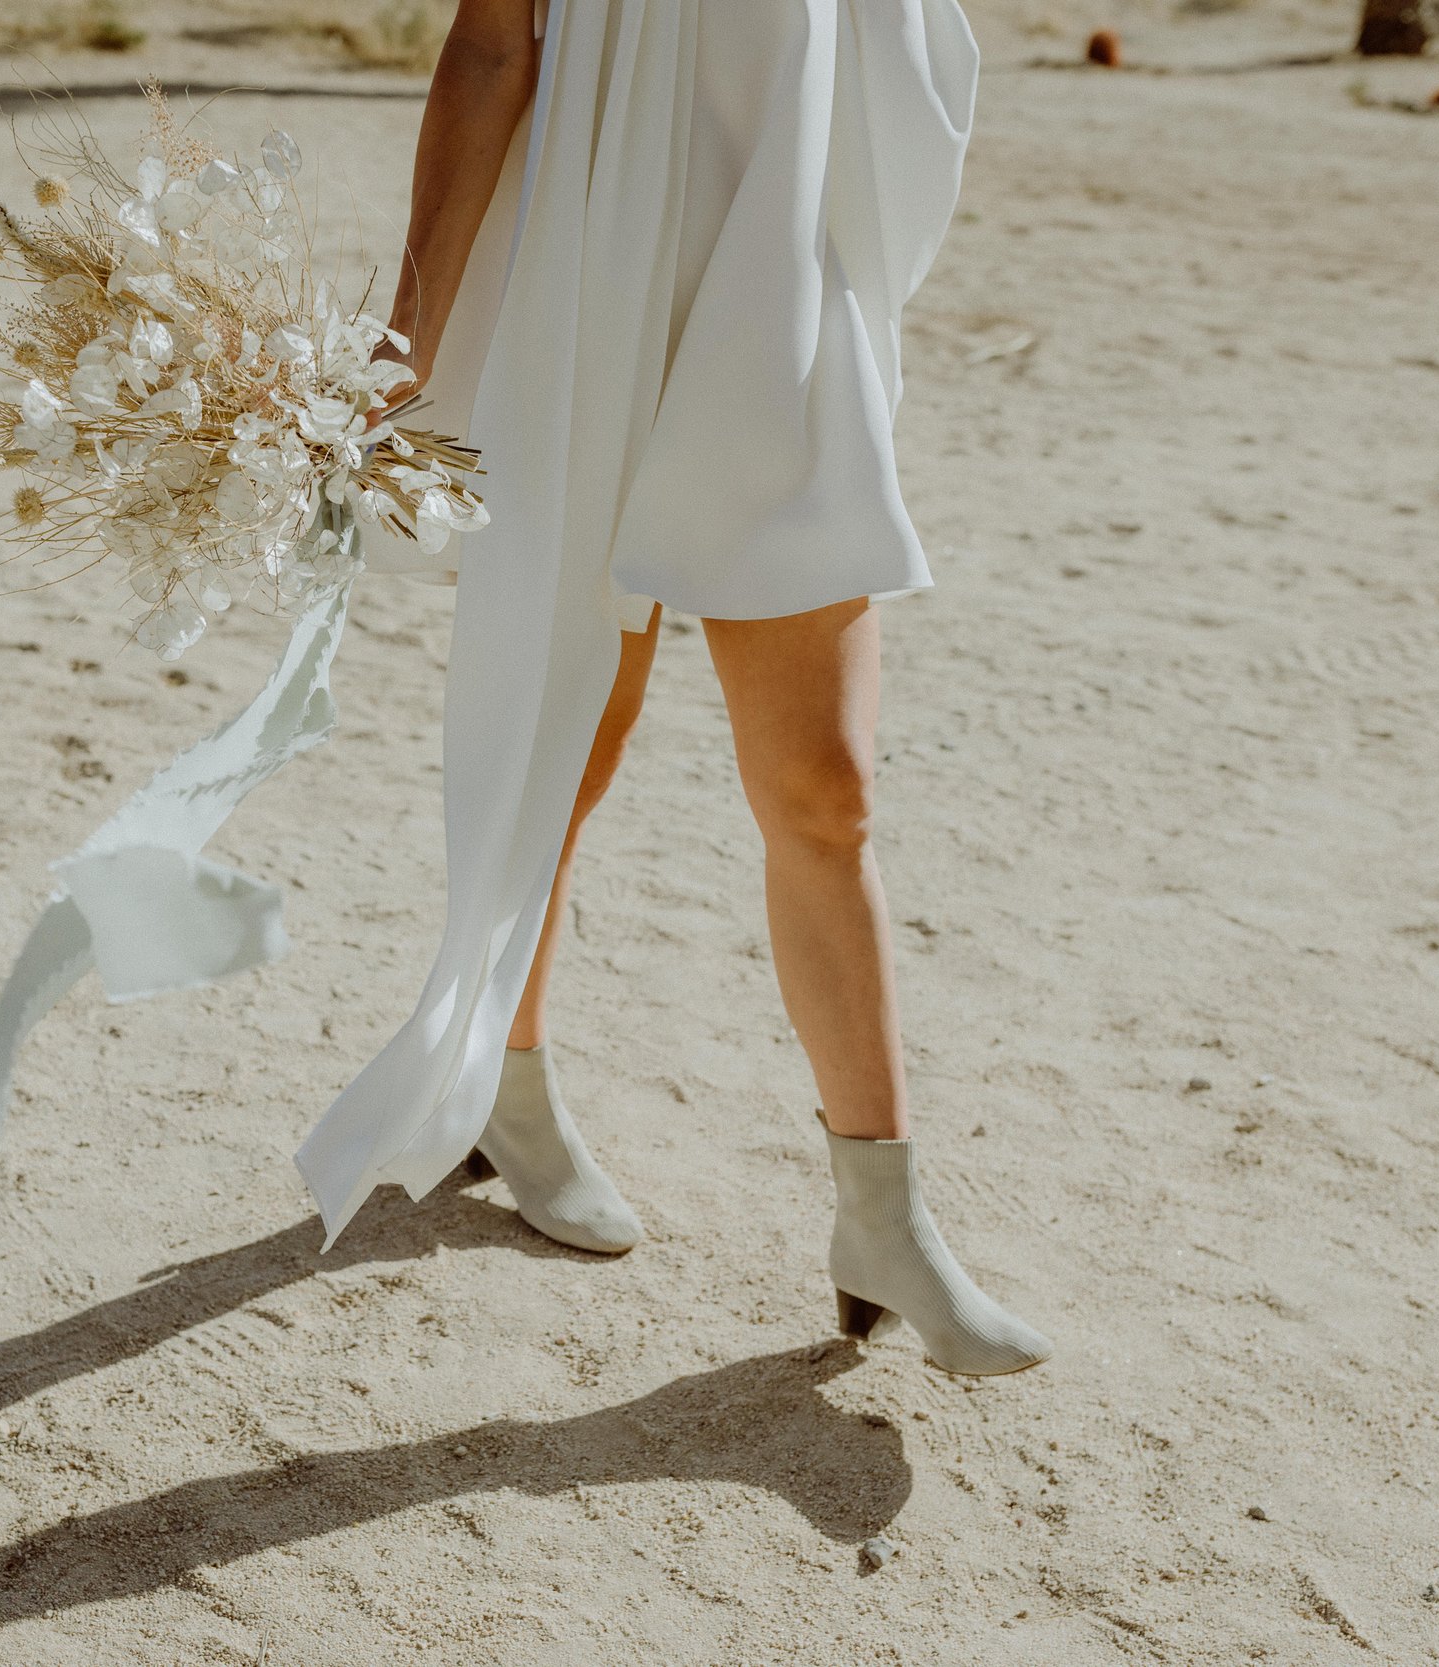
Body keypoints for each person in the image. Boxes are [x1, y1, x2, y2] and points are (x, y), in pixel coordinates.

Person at [294, 0, 1050, 1375]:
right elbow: (491, 43)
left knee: (827, 788)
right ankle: (508, 1089)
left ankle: (883, 1216)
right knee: (572, 747)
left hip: (779, 299)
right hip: (595, 284)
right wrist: (409, 324)